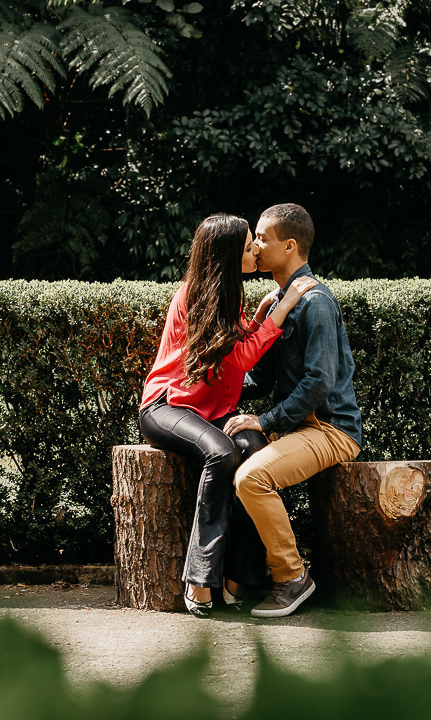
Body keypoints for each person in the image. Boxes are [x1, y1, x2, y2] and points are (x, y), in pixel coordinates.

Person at [138, 213, 317, 618]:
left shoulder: (228, 295)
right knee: (220, 453)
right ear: (227, 252)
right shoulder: (196, 294)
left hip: (211, 411)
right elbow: (237, 359)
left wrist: (257, 319)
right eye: (249, 243)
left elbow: (230, 351)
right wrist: (284, 306)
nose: (256, 248)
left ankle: (238, 578)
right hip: (168, 406)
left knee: (254, 451)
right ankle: (199, 578)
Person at [223, 203, 363, 618]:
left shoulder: (315, 301)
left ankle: (291, 577)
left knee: (251, 478)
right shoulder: (283, 299)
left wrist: (265, 422)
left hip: (330, 430)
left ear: (289, 245)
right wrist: (211, 400)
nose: (255, 244)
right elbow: (261, 378)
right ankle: (237, 578)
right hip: (300, 428)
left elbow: (320, 382)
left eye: (263, 238)